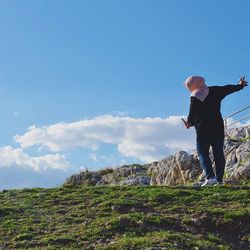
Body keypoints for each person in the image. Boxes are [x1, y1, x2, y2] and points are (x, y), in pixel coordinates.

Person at [184, 75, 248, 186]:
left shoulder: (195, 96)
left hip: (203, 129)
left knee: (202, 152)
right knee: (218, 153)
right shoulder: (214, 90)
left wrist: (189, 122)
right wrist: (240, 85)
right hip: (217, 127)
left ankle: (210, 177)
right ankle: (219, 180)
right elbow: (227, 88)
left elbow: (192, 114)